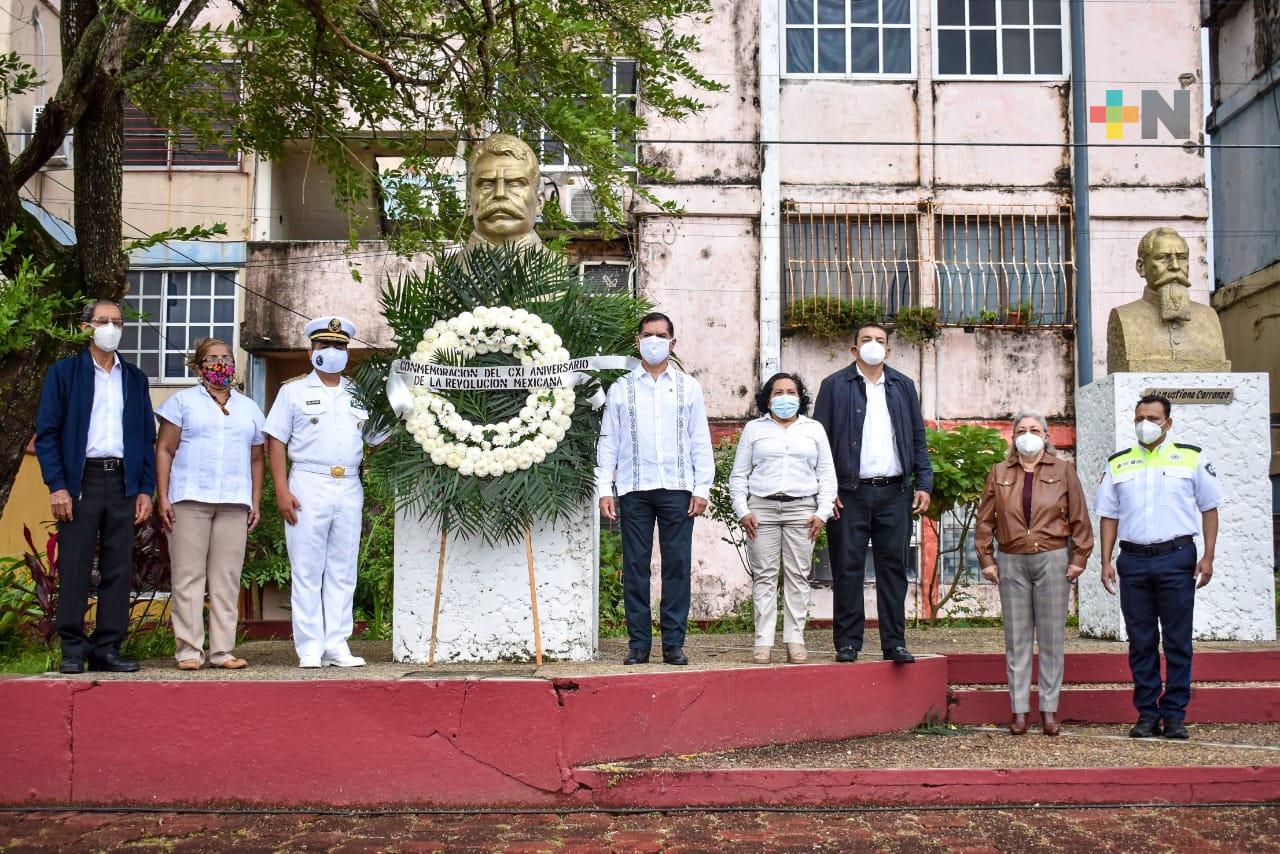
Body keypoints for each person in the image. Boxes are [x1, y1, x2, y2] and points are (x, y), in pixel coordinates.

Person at [35, 299, 155, 674]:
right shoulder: (64, 373)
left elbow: (144, 437)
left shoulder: (134, 378)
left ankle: (108, 647)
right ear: (86, 326)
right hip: (79, 481)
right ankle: (73, 646)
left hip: (122, 480)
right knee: (75, 565)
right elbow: (48, 434)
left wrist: (144, 489)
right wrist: (58, 485)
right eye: (103, 321)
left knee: (119, 567)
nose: (111, 328)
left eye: (118, 322)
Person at [1095, 394, 1222, 740]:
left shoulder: (1191, 458)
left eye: (1152, 417)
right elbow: (1109, 514)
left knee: (1178, 640)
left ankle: (1175, 714)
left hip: (1176, 556)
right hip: (1133, 560)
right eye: (1139, 418)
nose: (1145, 424)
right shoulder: (1119, 463)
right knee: (1141, 641)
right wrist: (1105, 561)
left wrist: (1208, 556)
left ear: (1168, 422)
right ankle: (1147, 713)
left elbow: (1209, 508)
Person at [263, 316, 382, 668]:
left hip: (348, 483)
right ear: (311, 349)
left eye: (340, 346)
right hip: (308, 482)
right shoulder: (293, 391)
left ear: (348, 351)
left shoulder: (359, 393)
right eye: (325, 345)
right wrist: (281, 490)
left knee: (343, 568)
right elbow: (275, 441)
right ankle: (310, 646)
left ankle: (337, 644)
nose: (333, 352)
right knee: (307, 568)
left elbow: (376, 439)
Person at [597, 312, 714, 666]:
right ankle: (639, 645)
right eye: (648, 335)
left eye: (661, 335)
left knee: (677, 566)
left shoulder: (688, 387)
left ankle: (674, 644)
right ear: (638, 341)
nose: (653, 341)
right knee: (635, 566)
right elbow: (608, 441)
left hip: (678, 488)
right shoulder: (621, 388)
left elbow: (699, 440)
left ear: (672, 343)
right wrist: (605, 487)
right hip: (634, 488)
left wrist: (702, 487)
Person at [813, 321, 933, 664]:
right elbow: (819, 444)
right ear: (854, 349)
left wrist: (924, 482)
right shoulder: (834, 386)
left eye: (880, 340)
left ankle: (894, 642)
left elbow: (917, 438)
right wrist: (826, 491)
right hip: (848, 493)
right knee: (847, 568)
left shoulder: (903, 386)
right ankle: (848, 643)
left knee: (893, 569)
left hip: (894, 492)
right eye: (866, 339)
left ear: (888, 350)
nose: (873, 345)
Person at [975, 411, 1094, 736]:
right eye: (1022, 429)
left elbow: (1080, 515)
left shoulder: (1064, 470)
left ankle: (1049, 710)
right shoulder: (1000, 472)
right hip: (1012, 559)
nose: (1028, 434)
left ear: (1046, 435)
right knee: (1017, 638)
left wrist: (1079, 556)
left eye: (1035, 429)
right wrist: (986, 558)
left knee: (1052, 638)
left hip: (1052, 557)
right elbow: (985, 519)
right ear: (1013, 436)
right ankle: (1019, 710)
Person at [154, 338, 265, 670]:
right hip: (190, 499)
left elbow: (257, 458)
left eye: (226, 357)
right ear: (199, 366)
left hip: (234, 502)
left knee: (226, 578)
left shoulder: (249, 408)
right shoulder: (182, 402)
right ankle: (189, 651)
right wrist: (163, 496)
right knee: (188, 577)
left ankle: (221, 651)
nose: (220, 363)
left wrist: (255, 500)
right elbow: (164, 449)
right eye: (212, 358)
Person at [729, 373, 836, 664]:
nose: (785, 397)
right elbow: (739, 475)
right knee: (764, 576)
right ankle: (763, 641)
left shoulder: (813, 430)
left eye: (791, 391)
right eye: (778, 392)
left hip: (802, 510)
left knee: (798, 576)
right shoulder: (754, 429)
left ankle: (795, 639)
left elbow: (826, 474)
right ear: (768, 397)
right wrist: (743, 510)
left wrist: (822, 512)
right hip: (761, 510)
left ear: (801, 397)